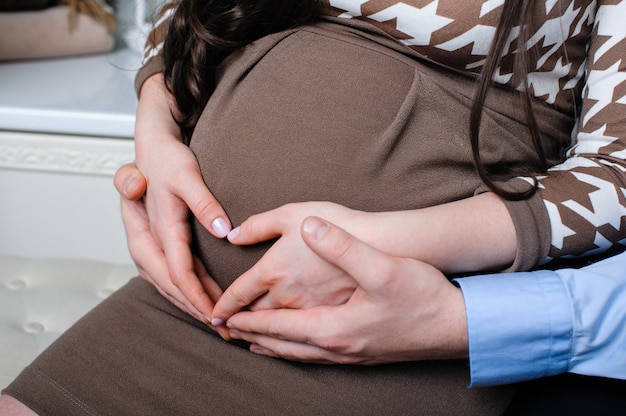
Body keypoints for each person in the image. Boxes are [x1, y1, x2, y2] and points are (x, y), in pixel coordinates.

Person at [2, 0, 626, 414]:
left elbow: (616, 176)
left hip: (389, 339)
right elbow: (192, 13)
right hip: (179, 310)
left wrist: (388, 240)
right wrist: (157, 124)